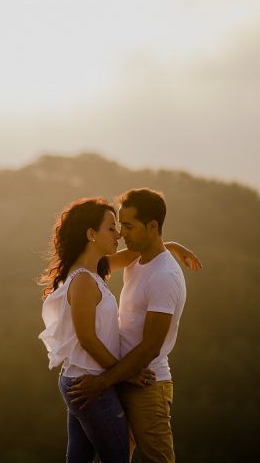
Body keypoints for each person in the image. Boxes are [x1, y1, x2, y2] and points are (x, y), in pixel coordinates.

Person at [38, 196, 200, 463]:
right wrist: (121, 375)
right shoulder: (87, 278)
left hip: (110, 378)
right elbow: (87, 339)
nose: (120, 234)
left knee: (81, 458)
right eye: (114, 228)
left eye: (125, 226)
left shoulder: (99, 269)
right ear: (91, 234)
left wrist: (169, 246)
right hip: (99, 378)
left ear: (151, 226)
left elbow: (144, 250)